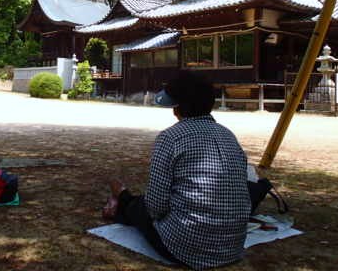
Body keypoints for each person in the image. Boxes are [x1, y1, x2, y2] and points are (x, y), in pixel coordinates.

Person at [102, 71, 251, 270]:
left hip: (184, 247)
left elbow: (156, 207)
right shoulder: (228, 136)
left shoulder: (171, 137)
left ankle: (121, 197)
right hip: (232, 246)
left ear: (176, 108)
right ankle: (123, 200)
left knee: (139, 207)